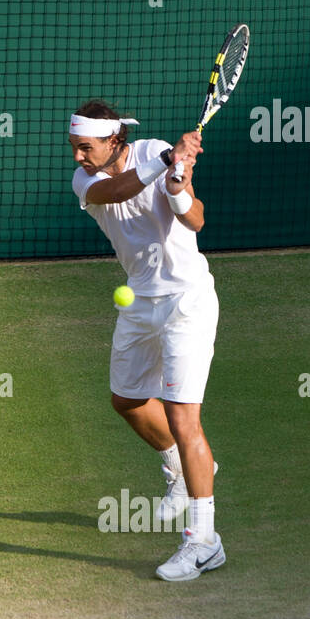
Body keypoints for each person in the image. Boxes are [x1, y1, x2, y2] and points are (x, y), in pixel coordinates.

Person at [69, 100, 224, 581]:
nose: (77, 156)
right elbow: (115, 192)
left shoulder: (155, 151)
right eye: (74, 148)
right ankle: (181, 470)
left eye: (85, 147)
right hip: (138, 302)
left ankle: (203, 542)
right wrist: (165, 164)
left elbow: (196, 220)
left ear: (114, 140)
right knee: (128, 400)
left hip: (186, 302)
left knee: (183, 417)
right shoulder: (88, 181)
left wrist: (178, 190)